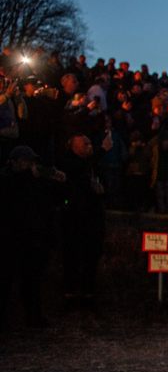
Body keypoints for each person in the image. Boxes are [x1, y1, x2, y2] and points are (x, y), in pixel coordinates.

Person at [0, 146, 65, 331]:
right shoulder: (7, 179)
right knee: (5, 281)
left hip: (33, 239)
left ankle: (33, 317)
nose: (30, 165)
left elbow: (54, 201)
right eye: (26, 161)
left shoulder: (36, 182)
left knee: (32, 281)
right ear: (16, 162)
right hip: (10, 239)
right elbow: (11, 192)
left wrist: (56, 182)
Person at [59, 133, 107, 306]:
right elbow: (78, 172)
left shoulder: (92, 165)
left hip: (92, 218)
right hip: (74, 217)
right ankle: (70, 293)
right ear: (74, 146)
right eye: (85, 144)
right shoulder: (69, 162)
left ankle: (88, 293)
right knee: (72, 257)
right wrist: (102, 151)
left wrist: (101, 190)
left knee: (90, 257)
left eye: (89, 143)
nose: (89, 146)